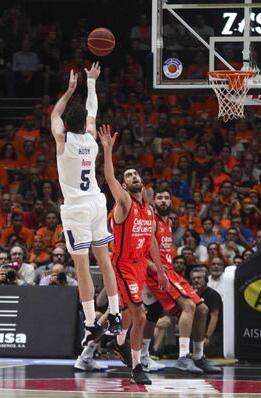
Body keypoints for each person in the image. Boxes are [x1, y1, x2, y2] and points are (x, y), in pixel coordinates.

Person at [50, 64, 121, 350]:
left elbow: (54, 113)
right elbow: (92, 111)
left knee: (81, 266)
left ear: (68, 124)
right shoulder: (91, 139)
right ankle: (115, 315)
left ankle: (92, 323)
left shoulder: (62, 140)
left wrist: (69, 90)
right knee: (105, 262)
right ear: (84, 124)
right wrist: (91, 83)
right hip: (96, 202)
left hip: (76, 208)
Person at [98, 124, 169, 385]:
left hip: (140, 266)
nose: (133, 177)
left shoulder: (148, 209)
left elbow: (151, 240)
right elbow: (109, 178)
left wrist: (160, 271)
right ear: (125, 185)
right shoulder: (124, 201)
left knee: (129, 312)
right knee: (139, 314)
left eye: (135, 173)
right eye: (128, 176)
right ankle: (137, 366)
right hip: (122, 263)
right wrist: (107, 150)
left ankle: (115, 341)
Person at [142, 189, 222, 374]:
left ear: (171, 202)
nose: (163, 201)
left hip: (170, 272)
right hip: (156, 273)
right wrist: (155, 268)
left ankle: (198, 357)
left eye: (166, 198)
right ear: (154, 202)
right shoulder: (151, 221)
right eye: (159, 198)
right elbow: (138, 250)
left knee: (202, 309)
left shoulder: (168, 222)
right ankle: (183, 357)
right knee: (189, 307)